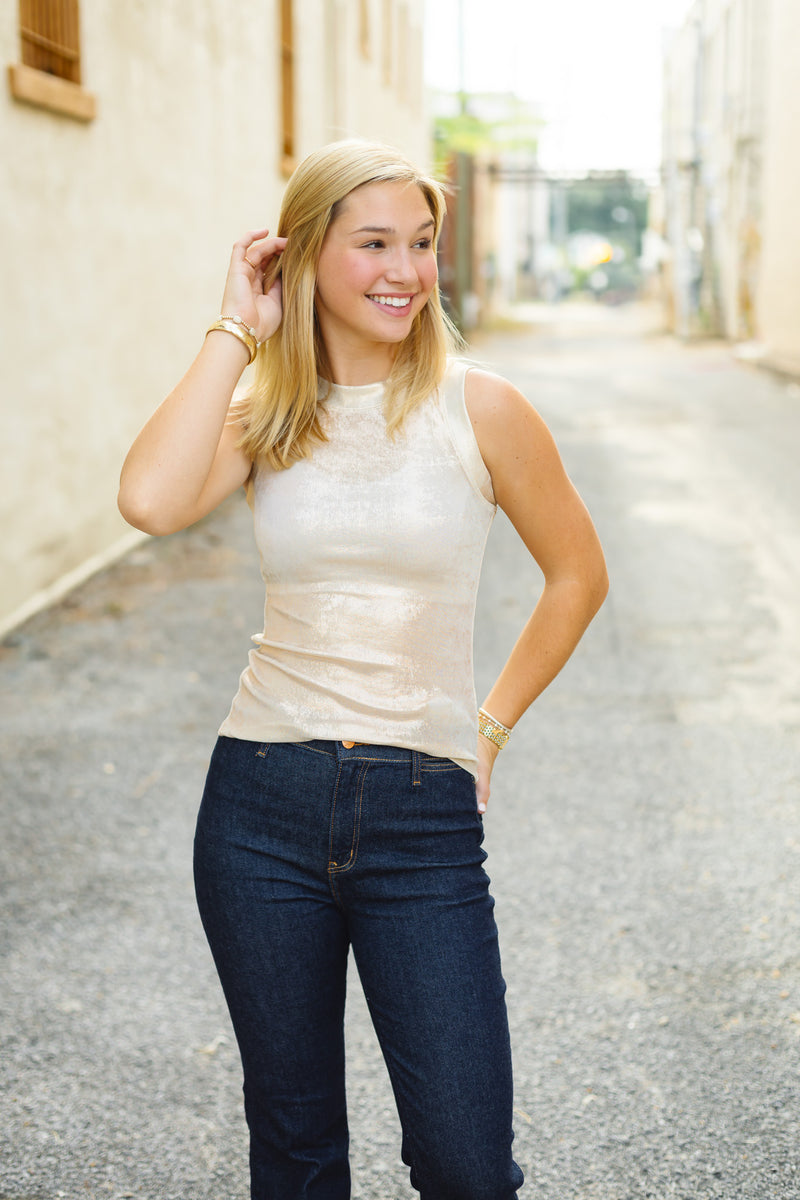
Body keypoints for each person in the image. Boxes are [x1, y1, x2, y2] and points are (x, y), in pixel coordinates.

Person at [118, 139, 608, 1200]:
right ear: (301, 260)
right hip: (258, 803)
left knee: (466, 1166)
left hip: (421, 817)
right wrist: (232, 330)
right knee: (295, 1154)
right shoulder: (268, 415)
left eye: (421, 244)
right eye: (373, 243)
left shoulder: (479, 408)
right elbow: (151, 502)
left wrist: (488, 726)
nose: (404, 270)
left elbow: (576, 576)